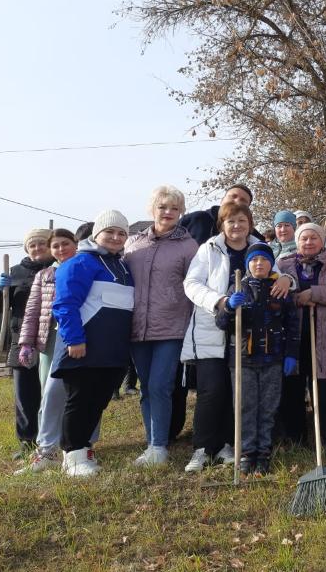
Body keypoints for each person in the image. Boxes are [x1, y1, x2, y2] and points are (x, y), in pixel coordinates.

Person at [182, 202, 294, 472]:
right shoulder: (208, 248)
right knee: (212, 392)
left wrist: (287, 278)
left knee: (241, 396)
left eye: (242, 221)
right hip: (215, 325)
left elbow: (278, 275)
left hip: (252, 343)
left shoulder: (260, 247)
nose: (237, 226)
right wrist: (221, 301)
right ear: (222, 224)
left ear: (250, 223)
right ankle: (203, 447)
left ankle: (233, 446)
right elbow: (191, 284)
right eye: (231, 221)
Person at [51, 211, 135, 476]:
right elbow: (65, 304)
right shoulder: (80, 263)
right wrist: (74, 339)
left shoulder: (122, 266)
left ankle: (84, 450)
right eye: (109, 231)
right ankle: (72, 457)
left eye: (121, 233)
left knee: (97, 402)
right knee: (81, 400)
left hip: (113, 351)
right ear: (96, 234)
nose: (115, 237)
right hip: (84, 348)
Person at [124, 186, 199, 466]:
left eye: (174, 208)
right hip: (137, 327)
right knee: (146, 388)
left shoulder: (188, 246)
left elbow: (194, 285)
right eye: (163, 207)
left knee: (160, 386)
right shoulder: (133, 244)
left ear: (181, 212)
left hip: (172, 326)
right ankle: (151, 442)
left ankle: (159, 446)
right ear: (152, 209)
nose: (168, 213)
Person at [217, 242, 301, 475]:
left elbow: (293, 326)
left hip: (273, 360)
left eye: (264, 260)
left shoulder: (279, 290)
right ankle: (245, 453)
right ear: (247, 265)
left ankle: (263, 452)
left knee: (268, 407)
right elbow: (221, 324)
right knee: (245, 406)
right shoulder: (237, 289)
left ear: (271, 263)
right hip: (242, 360)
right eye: (254, 260)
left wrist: (291, 355)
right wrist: (229, 308)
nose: (259, 263)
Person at [13, 229, 85, 474]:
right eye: (56, 246)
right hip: (50, 339)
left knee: (76, 393)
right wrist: (26, 342)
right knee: (49, 394)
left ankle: (73, 445)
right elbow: (33, 311)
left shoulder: (84, 267)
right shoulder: (45, 275)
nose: (61, 249)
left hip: (79, 337)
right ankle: (47, 448)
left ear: (76, 244)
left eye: (66, 244)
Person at [276, 223, 326, 456]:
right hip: (294, 337)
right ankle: (296, 437)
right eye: (304, 238)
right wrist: (298, 298)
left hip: (325, 335)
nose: (309, 242)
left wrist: (314, 293)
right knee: (293, 391)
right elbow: (277, 292)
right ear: (297, 242)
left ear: (322, 241)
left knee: (323, 391)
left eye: (314, 238)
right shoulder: (284, 264)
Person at [0, 228, 54, 460]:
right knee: (24, 393)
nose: (37, 248)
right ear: (27, 248)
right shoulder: (15, 272)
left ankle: (49, 439)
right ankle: (27, 441)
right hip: (21, 339)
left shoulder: (56, 268)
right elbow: (0, 307)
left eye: (42, 244)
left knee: (50, 391)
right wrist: (1, 290)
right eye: (33, 245)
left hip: (49, 338)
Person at [179, 184, 258, 245]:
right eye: (233, 196)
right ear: (222, 200)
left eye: (243, 200)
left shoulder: (253, 236)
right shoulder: (195, 219)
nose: (236, 201)